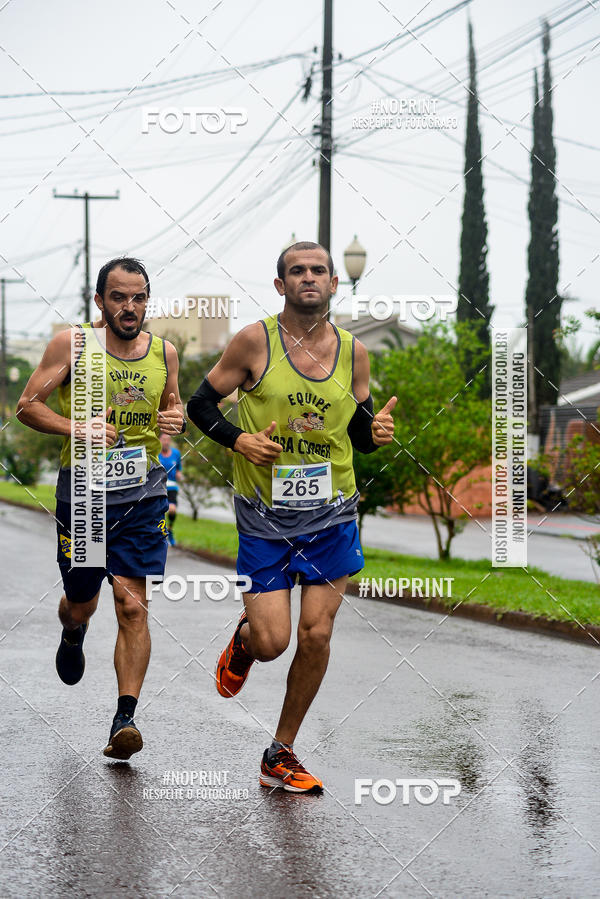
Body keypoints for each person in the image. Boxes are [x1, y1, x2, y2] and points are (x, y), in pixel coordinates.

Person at [187, 241, 396, 793]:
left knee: (317, 634)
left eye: (318, 270)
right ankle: (247, 641)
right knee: (275, 640)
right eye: (297, 271)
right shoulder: (254, 341)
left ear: (333, 284)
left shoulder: (355, 352)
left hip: (333, 513)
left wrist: (373, 435)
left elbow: (357, 431)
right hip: (264, 517)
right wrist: (239, 441)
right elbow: (199, 405)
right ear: (280, 285)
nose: (309, 277)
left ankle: (281, 751)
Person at [17, 257, 185, 760]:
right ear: (99, 302)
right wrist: (79, 428)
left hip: (143, 495)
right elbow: (28, 406)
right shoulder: (73, 345)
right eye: (118, 297)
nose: (129, 308)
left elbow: (170, 408)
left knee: (132, 605)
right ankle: (73, 629)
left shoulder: (165, 352)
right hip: (85, 495)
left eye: (138, 298)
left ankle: (125, 718)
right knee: (83, 600)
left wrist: (172, 420)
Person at [158, 431, 183, 545]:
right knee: (159, 512)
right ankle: (160, 534)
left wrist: (179, 474)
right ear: (159, 441)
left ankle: (170, 529)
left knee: (172, 509)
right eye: (164, 439)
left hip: (172, 486)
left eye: (168, 440)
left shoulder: (176, 453)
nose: (166, 442)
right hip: (158, 486)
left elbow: (179, 469)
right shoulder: (156, 453)